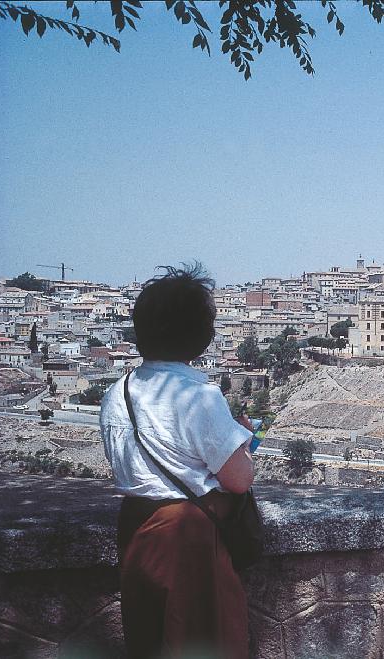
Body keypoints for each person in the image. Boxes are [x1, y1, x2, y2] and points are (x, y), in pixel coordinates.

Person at [100, 264, 255, 659]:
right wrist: (243, 442)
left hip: (135, 529)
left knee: (149, 642)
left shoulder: (116, 394)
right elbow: (238, 480)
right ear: (202, 336)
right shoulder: (199, 397)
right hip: (188, 539)